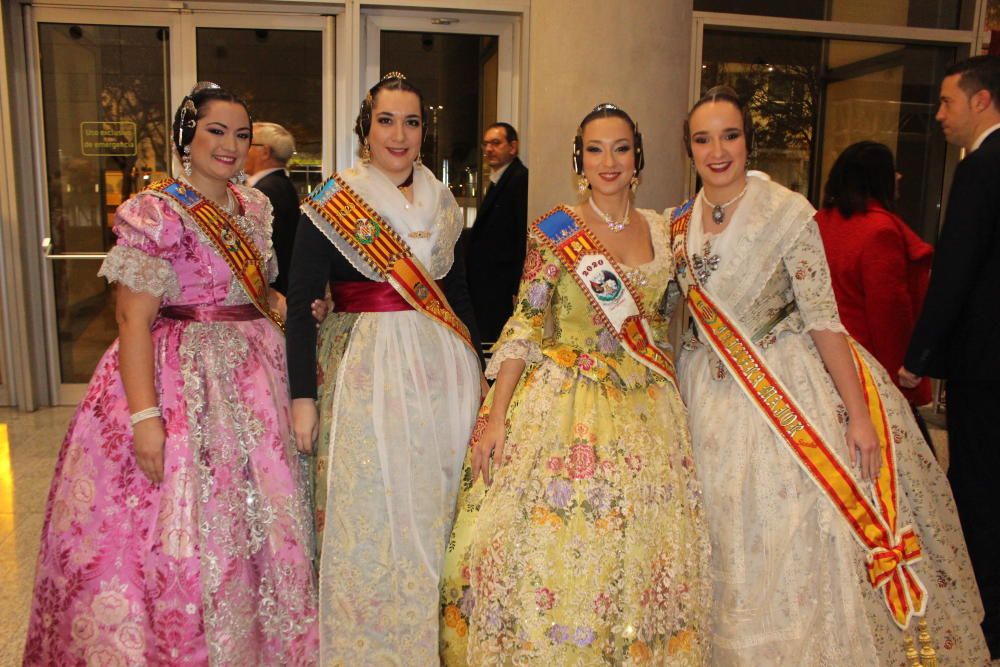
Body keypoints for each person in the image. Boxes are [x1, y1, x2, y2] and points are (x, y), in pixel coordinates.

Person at [667, 85, 989, 665]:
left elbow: (822, 316)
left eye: (731, 135)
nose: (718, 150)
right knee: (715, 534)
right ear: (688, 148)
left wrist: (860, 416)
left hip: (782, 393)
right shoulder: (677, 224)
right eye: (703, 138)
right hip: (703, 396)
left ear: (749, 141)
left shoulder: (787, 212)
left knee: (783, 533)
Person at [23, 82, 318, 665]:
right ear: (188, 138)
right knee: (182, 524)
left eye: (240, 134)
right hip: (180, 374)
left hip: (256, 375)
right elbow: (132, 320)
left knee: (260, 520)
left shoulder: (254, 206)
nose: (230, 146)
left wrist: (289, 306)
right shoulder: (154, 212)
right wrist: (145, 417)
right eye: (215, 131)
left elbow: (254, 290)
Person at [440, 103, 711, 665]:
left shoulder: (667, 231)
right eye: (595, 149)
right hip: (565, 406)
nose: (608, 161)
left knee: (638, 551)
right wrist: (495, 415)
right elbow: (525, 323)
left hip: (648, 411)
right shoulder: (556, 231)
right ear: (578, 160)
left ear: (638, 157)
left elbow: (692, 312)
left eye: (620, 148)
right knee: (557, 547)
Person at [285, 72, 485, 664]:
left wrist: (481, 365)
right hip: (367, 368)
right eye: (387, 120)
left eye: (413, 121)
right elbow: (301, 303)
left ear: (425, 131)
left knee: (439, 500)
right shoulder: (332, 201)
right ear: (365, 130)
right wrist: (302, 397)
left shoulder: (443, 200)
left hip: (443, 369)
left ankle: (436, 636)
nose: (400, 134)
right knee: (376, 501)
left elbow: (459, 291)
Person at [900, 54, 1000, 659]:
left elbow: (955, 271)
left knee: (980, 492)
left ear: (981, 101)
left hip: (987, 367)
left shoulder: (982, 168)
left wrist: (919, 354)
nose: (939, 115)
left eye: (947, 102)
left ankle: (984, 620)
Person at [815, 141, 934, 442]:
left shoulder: (819, 223)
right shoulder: (880, 231)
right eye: (891, 170)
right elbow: (890, 318)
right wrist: (904, 381)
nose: (899, 177)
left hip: (819, 368)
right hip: (867, 375)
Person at [465, 122, 529, 344]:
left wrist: (517, 287)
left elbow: (522, 237)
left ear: (513, 147)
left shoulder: (521, 180)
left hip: (503, 288)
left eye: (496, 143)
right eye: (485, 144)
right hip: (488, 286)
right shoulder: (498, 179)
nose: (489, 149)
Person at [246, 121, 299, 295]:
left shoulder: (265, 192)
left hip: (271, 295)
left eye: (247, 142)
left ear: (265, 151)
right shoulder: (281, 185)